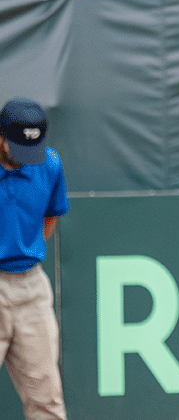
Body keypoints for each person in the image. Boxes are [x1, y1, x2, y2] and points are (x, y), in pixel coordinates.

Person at [0, 98, 70, 420]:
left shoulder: (49, 164)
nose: (27, 159)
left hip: (32, 289)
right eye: (17, 148)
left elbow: (51, 216)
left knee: (47, 400)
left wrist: (29, 247)